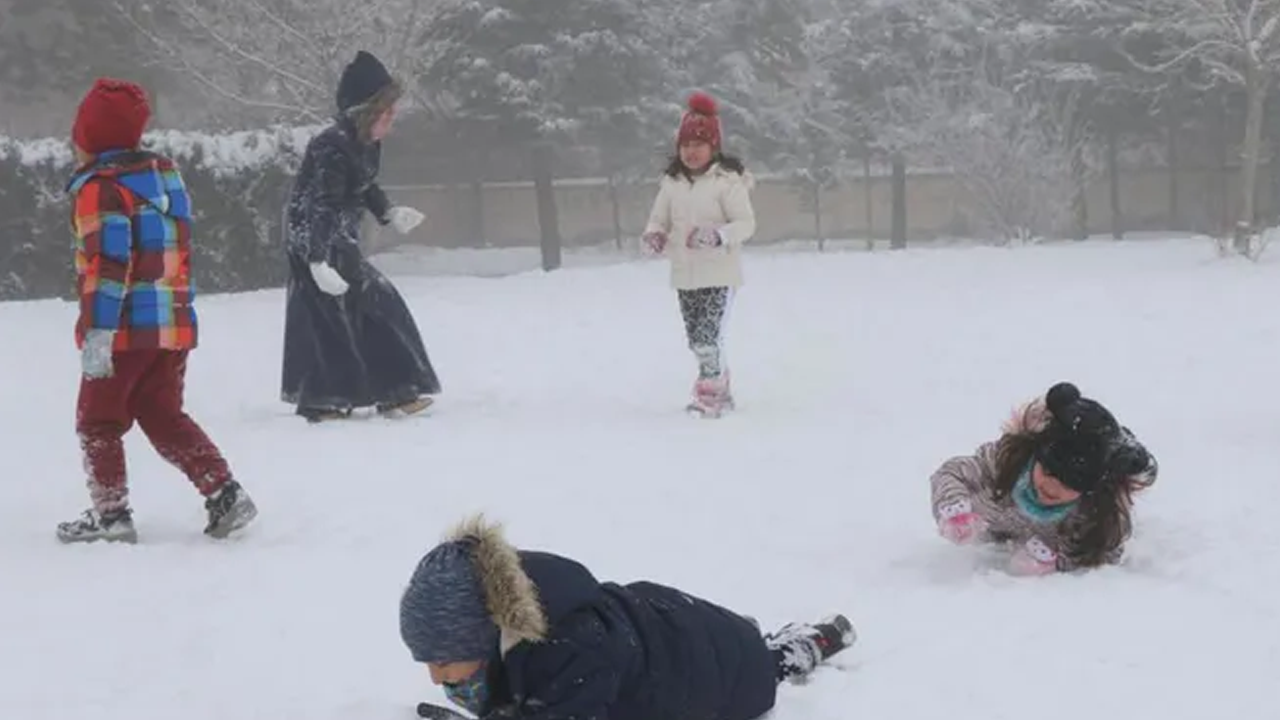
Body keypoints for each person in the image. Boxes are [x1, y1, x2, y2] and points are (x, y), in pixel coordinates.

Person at [57, 77, 258, 544]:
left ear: (91, 139)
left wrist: (98, 333)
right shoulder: (166, 180)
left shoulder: (100, 190)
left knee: (97, 421)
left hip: (123, 330)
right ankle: (223, 490)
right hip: (172, 327)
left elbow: (108, 266)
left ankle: (111, 515)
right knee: (162, 412)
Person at [399, 515, 855, 720]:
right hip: (672, 631)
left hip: (725, 682)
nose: (436, 678)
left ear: (483, 635)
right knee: (733, 643)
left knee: (762, 662)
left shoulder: (570, 653)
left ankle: (808, 645)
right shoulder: (528, 616)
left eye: (443, 661)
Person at [281, 50, 441, 423]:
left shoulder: (363, 143)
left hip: (338, 236)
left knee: (374, 307)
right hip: (315, 239)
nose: (393, 117)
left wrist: (388, 212)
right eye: (387, 111)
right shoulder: (331, 146)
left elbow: (364, 185)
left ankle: (391, 391)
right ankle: (329, 399)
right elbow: (322, 204)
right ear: (365, 112)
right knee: (333, 318)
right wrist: (318, 262)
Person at [931, 381, 1159, 574]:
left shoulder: (1090, 514)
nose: (1051, 486)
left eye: (1069, 483)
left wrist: (1053, 560)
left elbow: (1104, 550)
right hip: (989, 527)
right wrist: (954, 509)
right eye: (1048, 471)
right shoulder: (1005, 464)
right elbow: (952, 472)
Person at [640, 92, 757, 417]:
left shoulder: (727, 182)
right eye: (685, 145)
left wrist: (717, 236)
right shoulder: (672, 183)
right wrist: (654, 235)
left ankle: (710, 395)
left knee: (708, 338)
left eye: (699, 144)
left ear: (714, 147)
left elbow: (746, 224)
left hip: (720, 275)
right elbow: (658, 219)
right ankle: (722, 383)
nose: (691, 152)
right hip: (684, 275)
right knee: (698, 340)